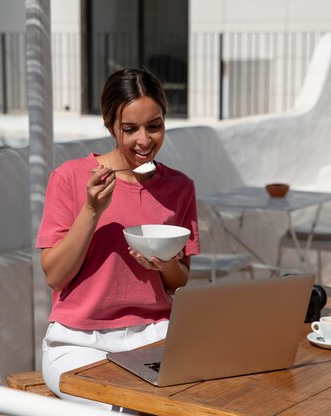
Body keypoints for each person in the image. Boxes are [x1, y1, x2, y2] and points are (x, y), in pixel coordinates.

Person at [36, 68, 200, 409]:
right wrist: (92, 209)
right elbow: (55, 275)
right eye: (130, 129)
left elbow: (179, 282)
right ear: (110, 125)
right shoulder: (69, 178)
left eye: (154, 126)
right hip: (79, 341)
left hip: (156, 335)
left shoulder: (180, 187)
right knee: (122, 408)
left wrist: (166, 265)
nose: (144, 140)